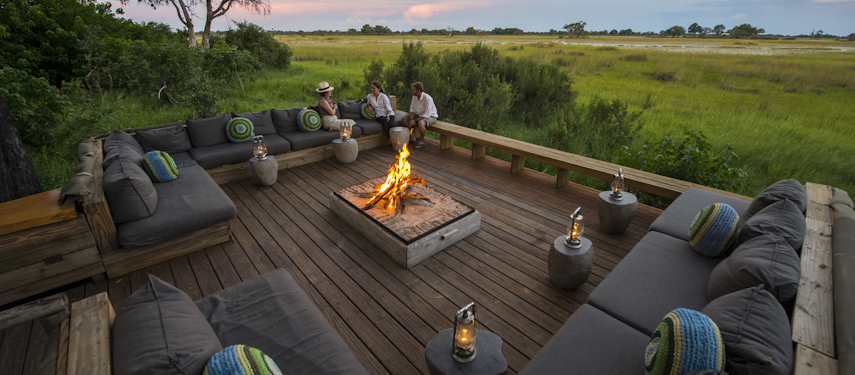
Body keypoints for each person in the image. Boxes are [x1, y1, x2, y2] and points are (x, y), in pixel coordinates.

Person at [401, 82, 437, 149]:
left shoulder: (428, 99)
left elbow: (427, 114)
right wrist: (411, 119)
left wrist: (415, 121)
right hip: (419, 115)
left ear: (418, 90)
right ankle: (412, 136)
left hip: (430, 116)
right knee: (404, 118)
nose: (412, 91)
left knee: (421, 123)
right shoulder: (414, 97)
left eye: (413, 90)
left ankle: (421, 141)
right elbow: (412, 109)